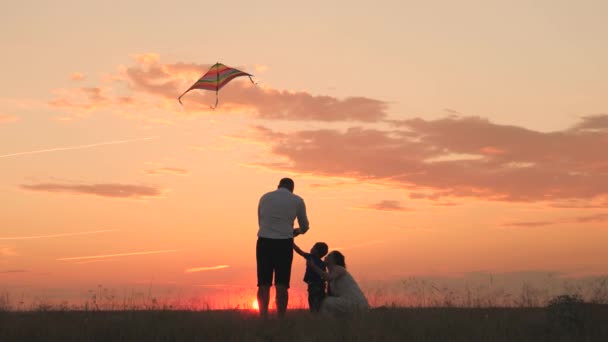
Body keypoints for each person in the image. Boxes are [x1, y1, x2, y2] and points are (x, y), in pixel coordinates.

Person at [256, 177, 309, 318]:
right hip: (284, 243)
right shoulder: (297, 200)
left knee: (263, 284)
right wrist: (296, 231)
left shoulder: (265, 197)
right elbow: (305, 226)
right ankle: (281, 319)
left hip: (264, 242)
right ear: (292, 188)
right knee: (282, 284)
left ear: (278, 186)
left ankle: (263, 318)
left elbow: (260, 222)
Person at [307, 250, 369, 315]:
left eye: (329, 255)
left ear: (334, 260)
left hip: (356, 303)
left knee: (326, 302)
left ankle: (323, 323)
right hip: (347, 303)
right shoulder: (332, 275)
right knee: (327, 303)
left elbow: (328, 278)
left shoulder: (339, 268)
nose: (326, 257)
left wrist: (313, 267)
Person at [293, 242, 328, 313]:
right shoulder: (323, 264)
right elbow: (324, 276)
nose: (311, 248)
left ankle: (315, 319)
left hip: (313, 286)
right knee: (320, 305)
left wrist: (291, 243)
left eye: (313, 247)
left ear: (316, 251)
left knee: (313, 304)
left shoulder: (311, 257)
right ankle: (319, 318)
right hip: (321, 287)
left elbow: (299, 251)